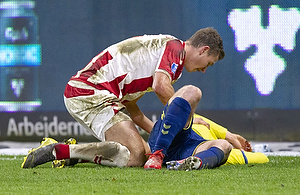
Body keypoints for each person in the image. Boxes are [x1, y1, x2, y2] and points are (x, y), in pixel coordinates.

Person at [21, 27, 225, 168]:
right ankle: (59, 151)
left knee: (141, 153)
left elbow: (134, 111)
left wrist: (160, 132)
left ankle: (70, 155)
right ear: (203, 49)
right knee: (135, 155)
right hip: (90, 93)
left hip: (96, 93)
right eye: (209, 63)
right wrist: (183, 119)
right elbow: (161, 88)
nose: (205, 70)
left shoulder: (167, 56)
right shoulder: (175, 50)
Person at [144, 85, 233, 170]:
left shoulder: (238, 153)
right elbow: (159, 85)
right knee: (193, 91)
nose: (203, 70)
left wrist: (236, 140)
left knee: (225, 145)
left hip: (187, 147)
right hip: (166, 137)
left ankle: (192, 162)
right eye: (206, 67)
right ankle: (157, 153)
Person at [192, 114, 269, 165]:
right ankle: (231, 138)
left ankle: (231, 138)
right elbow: (263, 158)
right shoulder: (219, 151)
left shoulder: (193, 120)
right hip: (209, 150)